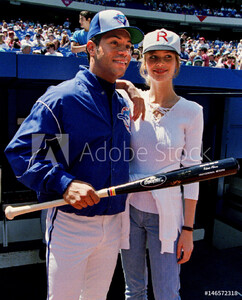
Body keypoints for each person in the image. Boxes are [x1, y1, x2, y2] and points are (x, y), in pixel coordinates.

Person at [4, 9, 144, 300]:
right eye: (114, 43)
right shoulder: (64, 98)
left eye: (128, 46)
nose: (124, 51)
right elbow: (24, 154)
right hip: (72, 223)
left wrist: (131, 88)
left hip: (114, 221)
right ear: (91, 47)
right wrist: (65, 182)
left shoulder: (120, 100)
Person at [119, 28, 203, 300]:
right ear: (143, 63)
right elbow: (97, 80)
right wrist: (130, 87)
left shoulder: (192, 111)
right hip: (128, 210)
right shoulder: (128, 100)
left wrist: (188, 230)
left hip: (166, 214)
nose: (160, 64)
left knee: (167, 293)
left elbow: (192, 174)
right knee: (134, 291)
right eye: (153, 57)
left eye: (168, 57)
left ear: (177, 64)